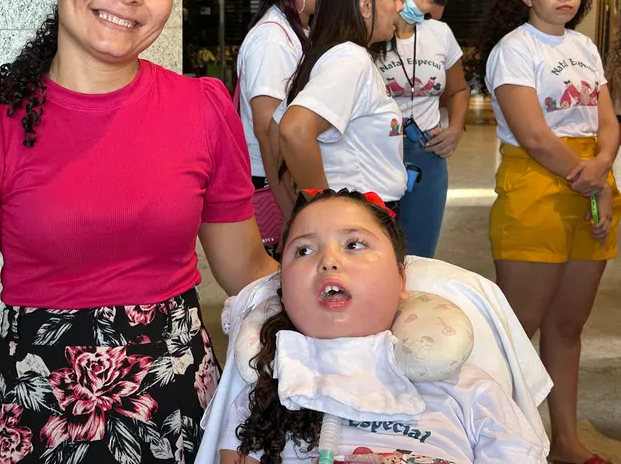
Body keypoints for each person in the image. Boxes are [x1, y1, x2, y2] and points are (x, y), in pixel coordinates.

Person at [0, 0, 278, 463]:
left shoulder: (202, 106)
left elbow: (247, 272)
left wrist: (352, 285)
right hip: (38, 415)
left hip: (181, 408)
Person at [217, 189, 546, 464]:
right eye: (304, 250)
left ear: (402, 279)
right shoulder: (257, 404)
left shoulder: (470, 393)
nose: (328, 260)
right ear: (284, 292)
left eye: (354, 244)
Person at [471, 0, 620, 464]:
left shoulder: (584, 47)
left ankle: (565, 441)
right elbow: (534, 136)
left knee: (568, 326)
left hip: (589, 181)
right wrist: (594, 177)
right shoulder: (514, 49)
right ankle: (496, 440)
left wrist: (601, 169)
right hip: (537, 186)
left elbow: (607, 120)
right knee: (519, 328)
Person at [272, 0, 407, 214]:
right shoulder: (350, 60)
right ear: (366, 5)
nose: (400, 6)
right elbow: (294, 130)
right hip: (358, 216)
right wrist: (325, 212)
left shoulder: (333, 54)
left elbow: (274, 130)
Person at [236, 0, 336, 242]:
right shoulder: (272, 40)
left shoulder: (298, 32)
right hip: (275, 188)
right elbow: (269, 132)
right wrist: (293, 210)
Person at [373, 0, 469, 258]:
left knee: (420, 252)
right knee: (377, 248)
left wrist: (454, 130)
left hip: (428, 153)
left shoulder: (439, 33)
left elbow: (458, 90)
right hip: (379, 153)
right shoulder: (371, 37)